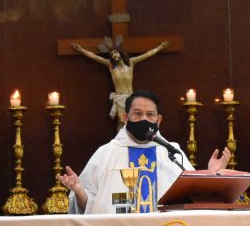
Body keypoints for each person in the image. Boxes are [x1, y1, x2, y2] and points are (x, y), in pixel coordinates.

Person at [58, 90, 229, 214]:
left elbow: (194, 197)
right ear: (125, 118)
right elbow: (90, 206)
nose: (144, 119)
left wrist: (213, 174)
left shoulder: (171, 152)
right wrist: (79, 191)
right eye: (137, 114)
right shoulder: (106, 153)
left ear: (158, 120)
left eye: (150, 114)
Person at [70, 37, 170, 123]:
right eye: (112, 55)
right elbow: (94, 57)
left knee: (133, 121)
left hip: (131, 98)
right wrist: (81, 49)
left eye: (115, 53)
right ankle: (121, 143)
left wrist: (160, 47)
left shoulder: (131, 63)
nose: (114, 55)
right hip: (120, 99)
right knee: (122, 122)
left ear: (120, 53)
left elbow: (147, 54)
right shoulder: (111, 66)